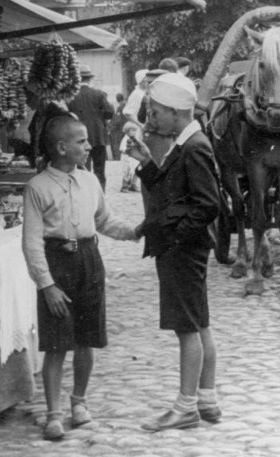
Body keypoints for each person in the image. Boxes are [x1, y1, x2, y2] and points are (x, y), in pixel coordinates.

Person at [22, 116, 141, 440]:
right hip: (56, 263)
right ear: (61, 147)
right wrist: (46, 285)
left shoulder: (90, 181)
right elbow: (32, 243)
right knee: (57, 343)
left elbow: (104, 220)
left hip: (89, 261)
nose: (89, 146)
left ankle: (79, 403)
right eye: (82, 141)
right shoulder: (37, 188)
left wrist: (134, 231)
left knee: (87, 339)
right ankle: (53, 414)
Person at [126, 72, 221, 432]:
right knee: (200, 322)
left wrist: (176, 237)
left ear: (176, 112)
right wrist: (147, 162)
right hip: (188, 248)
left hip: (183, 249)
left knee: (187, 328)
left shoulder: (194, 145)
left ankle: (185, 407)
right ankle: (207, 399)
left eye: (157, 111)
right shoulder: (187, 141)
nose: (152, 116)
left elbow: (207, 205)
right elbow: (171, 190)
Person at [68, 65, 115, 190]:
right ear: (90, 80)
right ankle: (100, 198)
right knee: (99, 170)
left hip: (78, 137)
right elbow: (109, 112)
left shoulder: (72, 96)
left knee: (82, 169)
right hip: (98, 136)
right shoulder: (99, 94)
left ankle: (84, 195)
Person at [25, 86, 73, 171]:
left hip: (57, 168)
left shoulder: (60, 114)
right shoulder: (38, 115)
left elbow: (67, 144)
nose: (26, 101)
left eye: (29, 96)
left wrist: (46, 158)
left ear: (40, 96)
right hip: (43, 168)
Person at [119, 121, 141, 192]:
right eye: (132, 130)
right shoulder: (126, 139)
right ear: (127, 131)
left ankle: (133, 184)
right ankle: (124, 186)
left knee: (136, 171)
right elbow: (122, 149)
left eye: (135, 130)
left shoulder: (135, 139)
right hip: (127, 158)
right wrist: (128, 151)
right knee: (127, 171)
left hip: (134, 159)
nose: (134, 132)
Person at [108, 93, 126, 161]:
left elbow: (117, 119)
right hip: (125, 127)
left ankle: (118, 158)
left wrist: (111, 125)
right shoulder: (126, 104)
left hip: (120, 129)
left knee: (118, 144)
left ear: (117, 99)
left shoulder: (120, 107)